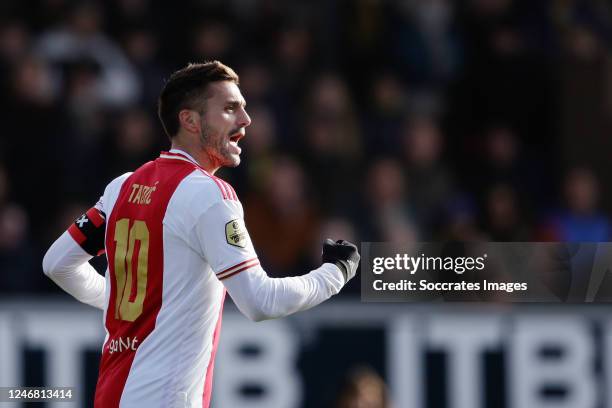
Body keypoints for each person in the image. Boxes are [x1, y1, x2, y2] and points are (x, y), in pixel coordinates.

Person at [42, 61, 360, 408]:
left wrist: (119, 301)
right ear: (190, 120)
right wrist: (334, 274)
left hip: (111, 395)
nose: (245, 120)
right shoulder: (209, 195)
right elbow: (259, 300)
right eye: (229, 108)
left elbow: (58, 263)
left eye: (244, 107)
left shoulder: (123, 186)